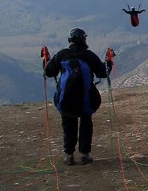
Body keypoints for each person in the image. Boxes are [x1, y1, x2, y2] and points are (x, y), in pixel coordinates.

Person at [44, 28, 109, 165]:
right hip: (86, 99)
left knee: (68, 124)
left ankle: (69, 155)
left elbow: (49, 72)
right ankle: (85, 154)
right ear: (84, 40)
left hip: (66, 101)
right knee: (86, 122)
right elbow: (103, 73)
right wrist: (108, 62)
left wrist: (46, 60)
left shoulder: (62, 54)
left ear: (70, 40)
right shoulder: (88, 55)